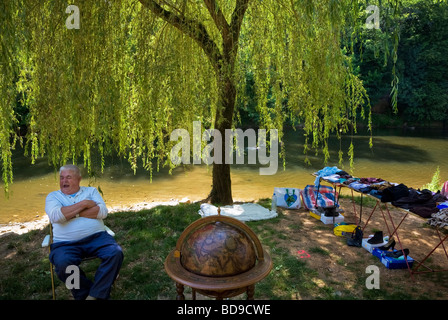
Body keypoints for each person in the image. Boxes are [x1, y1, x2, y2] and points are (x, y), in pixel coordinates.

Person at [45, 164, 123, 300]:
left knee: (115, 253)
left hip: (97, 237)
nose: (64, 181)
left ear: (79, 179)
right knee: (63, 263)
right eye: (62, 178)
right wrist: (84, 204)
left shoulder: (91, 192)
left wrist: (69, 213)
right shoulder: (53, 197)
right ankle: (83, 293)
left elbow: (102, 212)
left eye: (68, 177)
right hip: (65, 244)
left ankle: (94, 295)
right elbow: (56, 216)